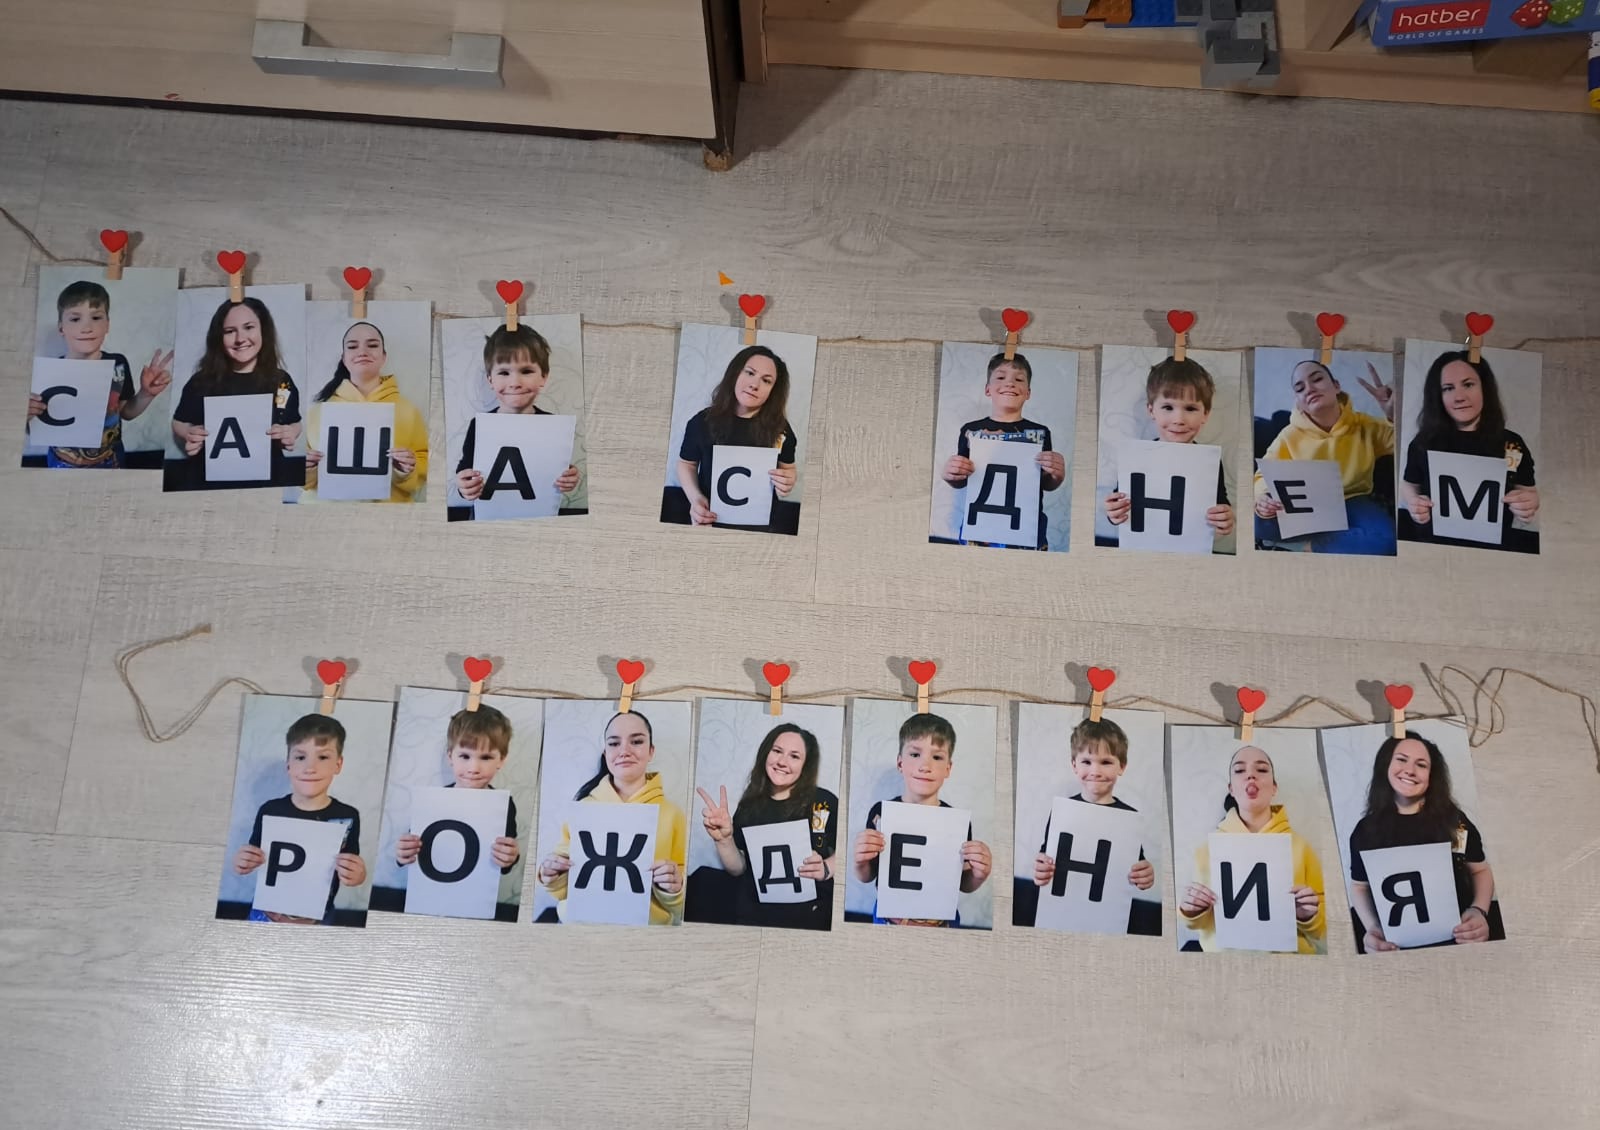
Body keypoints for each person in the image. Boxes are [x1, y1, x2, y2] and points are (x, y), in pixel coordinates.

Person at [1347, 735, 1499, 951]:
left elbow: (1480, 870)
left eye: (1421, 764)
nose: (1410, 770)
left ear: (1431, 775)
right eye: (1401, 759)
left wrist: (1479, 910)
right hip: (1396, 947)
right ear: (1385, 766)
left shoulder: (1453, 823)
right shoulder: (1366, 831)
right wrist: (1371, 928)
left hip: (1459, 941)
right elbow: (1359, 886)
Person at [537, 711, 688, 925]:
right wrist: (551, 875)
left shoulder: (672, 814)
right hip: (580, 927)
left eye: (636, 741)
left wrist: (674, 887)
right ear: (605, 752)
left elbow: (679, 902)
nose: (624, 751)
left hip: (643, 932)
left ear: (651, 751)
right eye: (614, 743)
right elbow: (562, 888)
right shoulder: (583, 807)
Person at [1178, 746, 1326, 953]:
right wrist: (1191, 911)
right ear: (1231, 789)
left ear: (1274, 788)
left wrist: (1307, 915)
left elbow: (1321, 929)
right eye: (1240, 770)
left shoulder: (1300, 847)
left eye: (1262, 770)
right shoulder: (1208, 850)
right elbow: (1198, 924)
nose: (1250, 775)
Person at [851, 712, 992, 926]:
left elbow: (963, 883)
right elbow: (867, 875)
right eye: (915, 754)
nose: (925, 766)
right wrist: (860, 861)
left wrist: (979, 875)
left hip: (941, 923)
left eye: (937, 757)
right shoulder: (881, 812)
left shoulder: (956, 823)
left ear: (948, 768)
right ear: (900, 763)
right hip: (890, 920)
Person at [696, 723, 838, 930]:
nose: (782, 761)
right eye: (777, 751)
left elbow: (848, 854)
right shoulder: (750, 805)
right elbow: (738, 868)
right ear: (766, 754)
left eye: (794, 756)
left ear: (805, 765)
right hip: (754, 916)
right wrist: (723, 840)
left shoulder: (823, 802)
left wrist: (826, 868)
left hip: (811, 917)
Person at [231, 713, 366, 925]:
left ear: (338, 764)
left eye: (323, 757)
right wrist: (243, 862)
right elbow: (253, 854)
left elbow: (350, 864)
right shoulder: (270, 810)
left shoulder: (348, 816)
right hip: (267, 914)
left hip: (317, 918)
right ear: (288, 765)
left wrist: (357, 875)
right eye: (300, 757)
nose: (310, 768)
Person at [1399, 350, 1538, 553]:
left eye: (1468, 384)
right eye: (1448, 388)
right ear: (1438, 396)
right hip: (1434, 544)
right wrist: (1413, 502)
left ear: (1484, 388)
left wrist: (1529, 502)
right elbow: (1409, 484)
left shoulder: (1511, 444)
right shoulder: (1423, 443)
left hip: (1492, 549)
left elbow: (1528, 490)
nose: (1459, 397)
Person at [1253, 358, 1396, 554]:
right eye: (1300, 388)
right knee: (1258, 521)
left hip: (1352, 499)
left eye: (1317, 379)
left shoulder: (1366, 426)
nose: (1309, 389)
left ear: (1336, 386)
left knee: (1387, 541)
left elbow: (1405, 446)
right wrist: (1262, 499)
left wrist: (1393, 416)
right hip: (1306, 504)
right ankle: (1345, 540)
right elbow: (1262, 476)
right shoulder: (1289, 435)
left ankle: (1309, 547)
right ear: (1298, 400)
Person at [1028, 717, 1155, 931]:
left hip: (1105, 922)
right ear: (1074, 765)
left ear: (1122, 766)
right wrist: (1041, 868)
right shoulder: (1062, 812)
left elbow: (1135, 867)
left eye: (1106, 762)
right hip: (1061, 917)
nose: (1095, 771)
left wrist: (1145, 875)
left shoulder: (1128, 819)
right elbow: (1046, 856)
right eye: (1087, 762)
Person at [27, 280, 171, 468]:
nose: (87, 327)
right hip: (62, 464)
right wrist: (25, 416)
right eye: (75, 319)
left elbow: (126, 412)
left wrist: (146, 394)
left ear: (107, 325)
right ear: (61, 328)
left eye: (96, 318)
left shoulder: (117, 364)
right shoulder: (48, 373)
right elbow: (35, 428)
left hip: (112, 461)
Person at [168, 296, 302, 488]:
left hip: (267, 480)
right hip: (210, 480)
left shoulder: (281, 382)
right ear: (219, 337)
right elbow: (178, 421)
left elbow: (294, 421)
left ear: (263, 330)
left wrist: (290, 432)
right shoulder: (201, 381)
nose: (240, 339)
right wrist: (188, 432)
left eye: (249, 327)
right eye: (230, 331)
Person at [938, 351, 1066, 550]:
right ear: (988, 389)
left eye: (1019, 379)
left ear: (1028, 393)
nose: (1010, 383)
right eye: (1000, 377)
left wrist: (1057, 475)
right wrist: (949, 474)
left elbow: (1044, 483)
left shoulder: (1040, 433)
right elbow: (961, 480)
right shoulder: (971, 430)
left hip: (1026, 527)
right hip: (980, 525)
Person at [1103, 357, 1234, 548]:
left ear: (1205, 414)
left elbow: (1220, 503)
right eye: (1168, 407)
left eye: (1190, 408)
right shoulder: (1137, 457)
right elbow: (1120, 504)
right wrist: (1113, 513)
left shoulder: (1209, 462)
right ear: (1151, 410)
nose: (1178, 419)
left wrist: (1225, 518)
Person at [452, 324, 580, 519]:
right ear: (490, 380)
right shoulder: (479, 425)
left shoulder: (552, 426)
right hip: (487, 517)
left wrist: (568, 476)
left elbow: (551, 470)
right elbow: (465, 470)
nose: (515, 383)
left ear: (543, 377)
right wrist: (464, 486)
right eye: (504, 373)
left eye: (526, 371)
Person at [672, 345, 798, 529]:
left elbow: (789, 468)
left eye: (766, 380)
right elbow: (686, 464)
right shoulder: (702, 422)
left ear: (773, 390)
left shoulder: (781, 428)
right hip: (709, 519)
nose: (754, 384)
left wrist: (788, 479)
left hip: (762, 524)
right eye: (750, 373)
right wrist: (695, 498)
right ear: (735, 373)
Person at [302, 320, 428, 502]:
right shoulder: (318, 411)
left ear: (384, 357)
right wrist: (307, 468)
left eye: (373, 345)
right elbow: (302, 477)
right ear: (344, 358)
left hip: (388, 511)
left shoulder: (408, 410)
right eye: (352, 346)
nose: (362, 352)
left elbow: (422, 461)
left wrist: (407, 469)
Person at [394, 705, 520, 875]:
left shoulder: (504, 805)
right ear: (450, 757)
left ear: (501, 760)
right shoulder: (434, 801)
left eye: (486, 757)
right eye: (465, 756)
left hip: (476, 887)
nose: (473, 768)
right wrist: (403, 853)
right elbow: (412, 853)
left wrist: (510, 857)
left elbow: (504, 866)